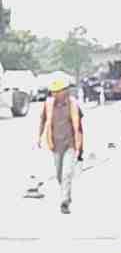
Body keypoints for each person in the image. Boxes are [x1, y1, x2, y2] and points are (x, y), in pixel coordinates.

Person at [38, 74, 84, 214]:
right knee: (59, 175)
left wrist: (80, 148)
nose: (54, 94)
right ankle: (67, 195)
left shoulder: (73, 104)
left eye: (57, 91)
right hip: (55, 145)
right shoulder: (48, 104)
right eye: (53, 91)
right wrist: (39, 137)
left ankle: (64, 202)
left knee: (67, 173)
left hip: (70, 144)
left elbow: (79, 127)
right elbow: (43, 121)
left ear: (64, 91)